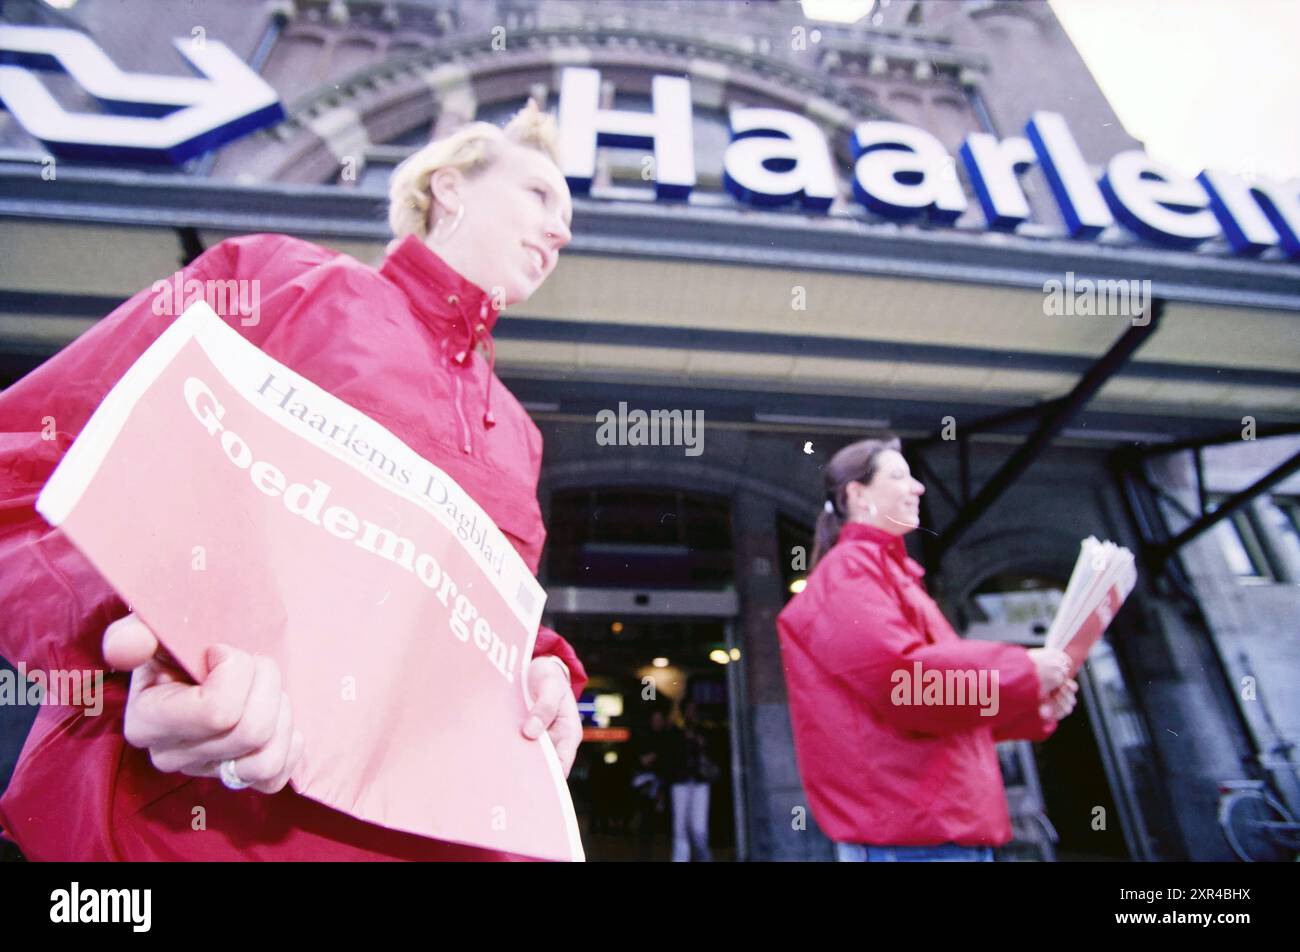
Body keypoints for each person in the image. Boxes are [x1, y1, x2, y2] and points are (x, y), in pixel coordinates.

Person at [0, 100, 588, 861]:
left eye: (568, 215)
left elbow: (436, 616)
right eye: (540, 195)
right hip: (176, 836)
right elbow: (29, 458)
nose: (562, 231)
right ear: (449, 188)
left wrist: (536, 668)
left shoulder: (518, 433)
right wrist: (140, 633)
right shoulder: (276, 281)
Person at [777, 435, 1078, 862]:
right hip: (917, 843)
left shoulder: (885, 575)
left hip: (936, 836)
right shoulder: (848, 574)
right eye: (900, 476)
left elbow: (937, 707)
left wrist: (1034, 706)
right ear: (857, 495)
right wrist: (1022, 672)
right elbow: (905, 683)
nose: (918, 487)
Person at [665, 701, 718, 862]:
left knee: (698, 828)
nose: (691, 714)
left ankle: (703, 857)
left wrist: (700, 743)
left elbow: (714, 753)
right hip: (680, 781)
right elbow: (671, 757)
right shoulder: (676, 733)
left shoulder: (704, 733)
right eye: (688, 710)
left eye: (694, 710)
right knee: (680, 827)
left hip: (700, 781)